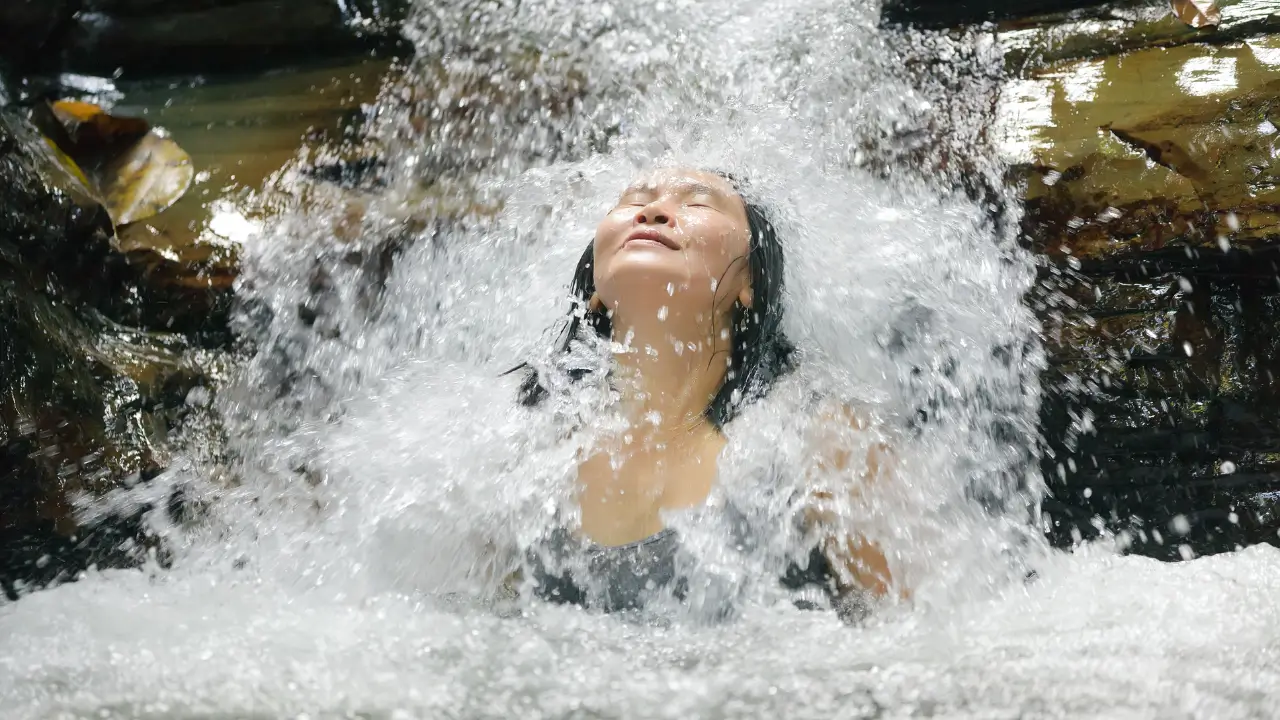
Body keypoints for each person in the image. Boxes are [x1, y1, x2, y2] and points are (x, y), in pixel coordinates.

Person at [506, 168, 897, 618]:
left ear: (750, 279)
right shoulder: (534, 457)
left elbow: (921, 631)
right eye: (634, 200)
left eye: (698, 203)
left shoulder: (820, 444)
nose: (652, 211)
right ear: (594, 287)